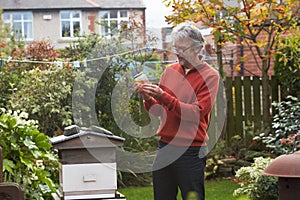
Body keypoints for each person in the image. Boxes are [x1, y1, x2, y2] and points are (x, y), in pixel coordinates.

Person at [135, 21, 220, 200]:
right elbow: (158, 112)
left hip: (191, 151)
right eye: (176, 48)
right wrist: (148, 97)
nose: (177, 53)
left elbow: (197, 113)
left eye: (183, 49)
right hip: (165, 147)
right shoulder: (170, 71)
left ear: (198, 49)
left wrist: (163, 96)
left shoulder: (210, 76)